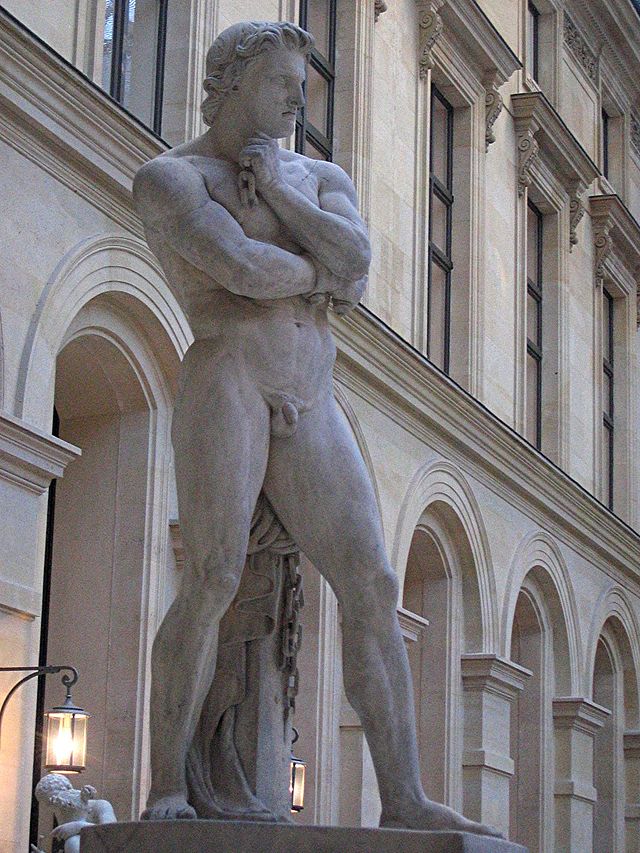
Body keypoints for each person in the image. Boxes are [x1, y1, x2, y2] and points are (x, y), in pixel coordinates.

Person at [133, 20, 499, 837]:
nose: (296, 103)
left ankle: (402, 793)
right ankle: (167, 785)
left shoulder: (318, 176)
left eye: (303, 90)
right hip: (229, 375)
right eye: (280, 85)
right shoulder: (170, 178)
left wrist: (292, 204)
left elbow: (360, 264)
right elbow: (237, 268)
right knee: (215, 576)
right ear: (228, 80)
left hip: (312, 390)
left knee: (370, 581)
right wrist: (317, 274)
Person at [33, 773, 116, 853]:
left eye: (52, 800)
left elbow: (112, 833)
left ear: (67, 791)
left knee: (72, 842)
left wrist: (79, 826)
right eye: (49, 804)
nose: (52, 807)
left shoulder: (101, 805)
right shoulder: (63, 812)